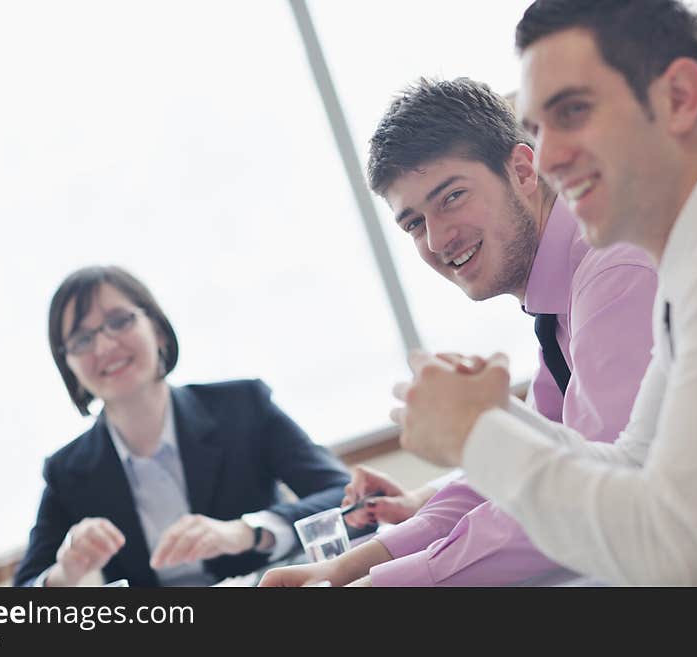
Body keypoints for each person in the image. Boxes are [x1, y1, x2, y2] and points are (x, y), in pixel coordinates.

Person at [394, 0, 697, 585]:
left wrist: (477, 435)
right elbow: (633, 461)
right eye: (539, 128)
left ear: (679, 97)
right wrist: (494, 417)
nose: (551, 159)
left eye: (574, 112)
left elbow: (680, 551)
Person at [260, 77, 657, 587]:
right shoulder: (560, 308)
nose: (438, 238)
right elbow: (505, 478)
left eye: (451, 197)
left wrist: (373, 588)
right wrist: (342, 570)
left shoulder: (614, 271)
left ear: (521, 169)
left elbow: (579, 499)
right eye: (413, 224)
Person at [14, 265, 352, 586]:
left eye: (119, 321)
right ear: (68, 365)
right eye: (81, 340)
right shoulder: (67, 471)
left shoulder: (242, 406)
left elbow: (347, 496)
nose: (103, 346)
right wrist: (64, 573)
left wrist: (247, 531)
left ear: (158, 330)